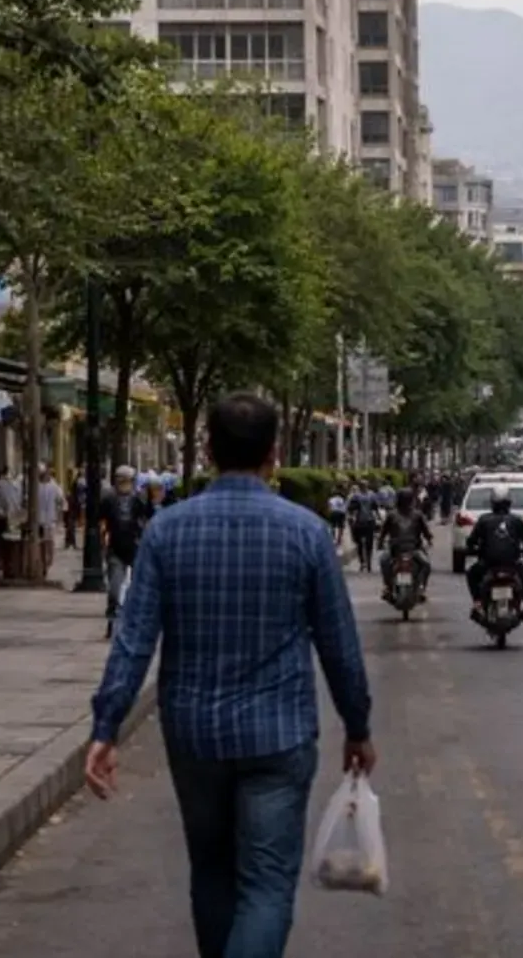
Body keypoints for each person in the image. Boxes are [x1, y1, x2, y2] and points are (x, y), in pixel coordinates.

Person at [86, 393, 374, 958]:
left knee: (211, 870)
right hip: (279, 732)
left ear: (209, 450)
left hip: (195, 734)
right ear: (274, 453)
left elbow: (134, 637)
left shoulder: (167, 531)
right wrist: (357, 726)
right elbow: (339, 645)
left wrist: (106, 725)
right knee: (266, 883)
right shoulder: (306, 533)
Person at [464, 484, 523, 622]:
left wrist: (471, 549)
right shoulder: (516, 520)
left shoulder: (484, 520)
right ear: (509, 503)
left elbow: (471, 541)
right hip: (511, 563)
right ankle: (521, 602)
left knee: (471, 574)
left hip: (489, 563)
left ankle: (477, 603)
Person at [98, 466, 145, 638]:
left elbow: (145, 520)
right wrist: (103, 540)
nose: (123, 484)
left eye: (127, 480)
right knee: (114, 590)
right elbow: (102, 522)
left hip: (135, 548)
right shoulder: (108, 499)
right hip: (115, 549)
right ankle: (112, 620)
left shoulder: (138, 500)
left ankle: (136, 622)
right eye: (120, 480)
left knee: (140, 588)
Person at [380, 488, 432, 600]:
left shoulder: (416, 515)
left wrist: (380, 542)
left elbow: (383, 532)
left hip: (408, 549)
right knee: (425, 564)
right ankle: (389, 587)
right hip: (403, 550)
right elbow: (426, 532)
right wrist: (429, 539)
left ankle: (419, 587)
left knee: (384, 561)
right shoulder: (393, 515)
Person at [349, 483, 381, 573]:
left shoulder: (357, 496)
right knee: (366, 543)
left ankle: (365, 562)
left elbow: (375, 508)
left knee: (364, 544)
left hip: (363, 522)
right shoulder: (369, 495)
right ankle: (365, 562)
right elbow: (376, 508)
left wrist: (379, 518)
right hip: (366, 521)